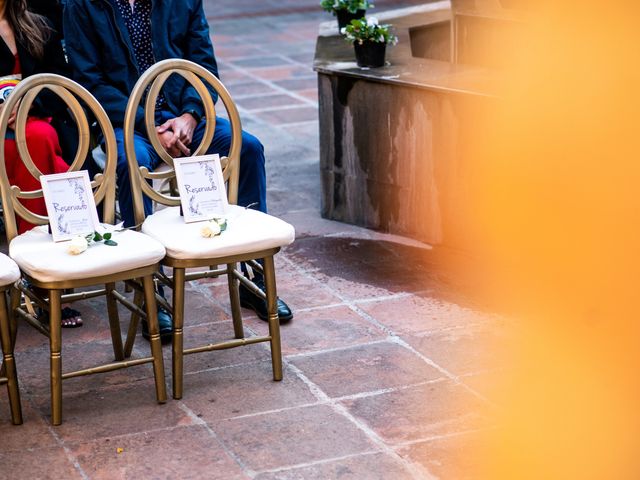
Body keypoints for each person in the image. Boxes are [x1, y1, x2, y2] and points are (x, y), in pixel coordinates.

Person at [62, 0, 293, 342]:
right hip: (129, 123)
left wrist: (190, 115)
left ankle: (254, 275)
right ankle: (150, 288)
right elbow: (89, 80)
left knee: (246, 147)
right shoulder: (83, 5)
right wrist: (150, 124)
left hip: (183, 115)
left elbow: (203, 64)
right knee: (130, 163)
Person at [0, 0, 83, 327]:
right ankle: (44, 270)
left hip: (39, 127)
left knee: (39, 137)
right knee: (37, 141)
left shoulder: (38, 25)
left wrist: (28, 100)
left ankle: (42, 265)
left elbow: (62, 87)